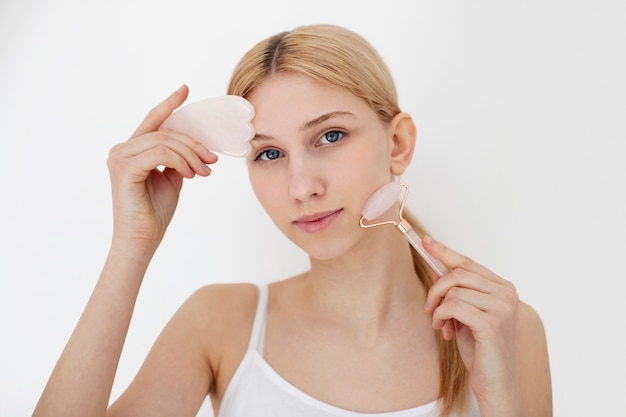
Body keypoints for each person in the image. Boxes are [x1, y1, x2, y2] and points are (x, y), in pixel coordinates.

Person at [33, 24, 552, 417]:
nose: (302, 188)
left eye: (329, 137)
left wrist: (499, 397)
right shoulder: (220, 323)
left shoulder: (501, 329)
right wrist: (132, 242)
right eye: (269, 154)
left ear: (398, 144)